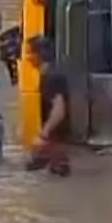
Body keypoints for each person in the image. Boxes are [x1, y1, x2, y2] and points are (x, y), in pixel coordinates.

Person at [25, 35, 71, 177]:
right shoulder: (49, 75)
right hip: (54, 144)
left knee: (56, 174)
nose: (27, 58)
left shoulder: (52, 77)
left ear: (39, 55)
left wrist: (43, 134)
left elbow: (59, 110)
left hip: (55, 143)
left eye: (29, 53)